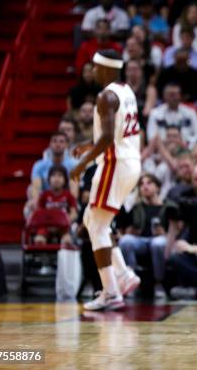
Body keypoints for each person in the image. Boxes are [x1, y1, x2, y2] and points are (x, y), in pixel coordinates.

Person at [70, 50, 142, 311]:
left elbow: (108, 140)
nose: (94, 71)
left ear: (107, 69)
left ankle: (111, 292)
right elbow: (117, 133)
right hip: (130, 161)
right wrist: (88, 145)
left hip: (115, 164)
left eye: (96, 67)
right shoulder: (126, 90)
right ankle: (123, 275)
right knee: (94, 220)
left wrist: (82, 162)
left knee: (96, 227)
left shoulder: (105, 95)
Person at [118, 174, 170, 296]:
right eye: (141, 184)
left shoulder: (167, 207)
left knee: (158, 243)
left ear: (158, 187)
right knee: (126, 241)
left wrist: (165, 233)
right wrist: (129, 232)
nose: (144, 186)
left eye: (149, 183)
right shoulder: (136, 207)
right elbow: (124, 229)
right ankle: (132, 281)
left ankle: (159, 282)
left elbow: (176, 231)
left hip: (159, 240)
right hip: (140, 241)